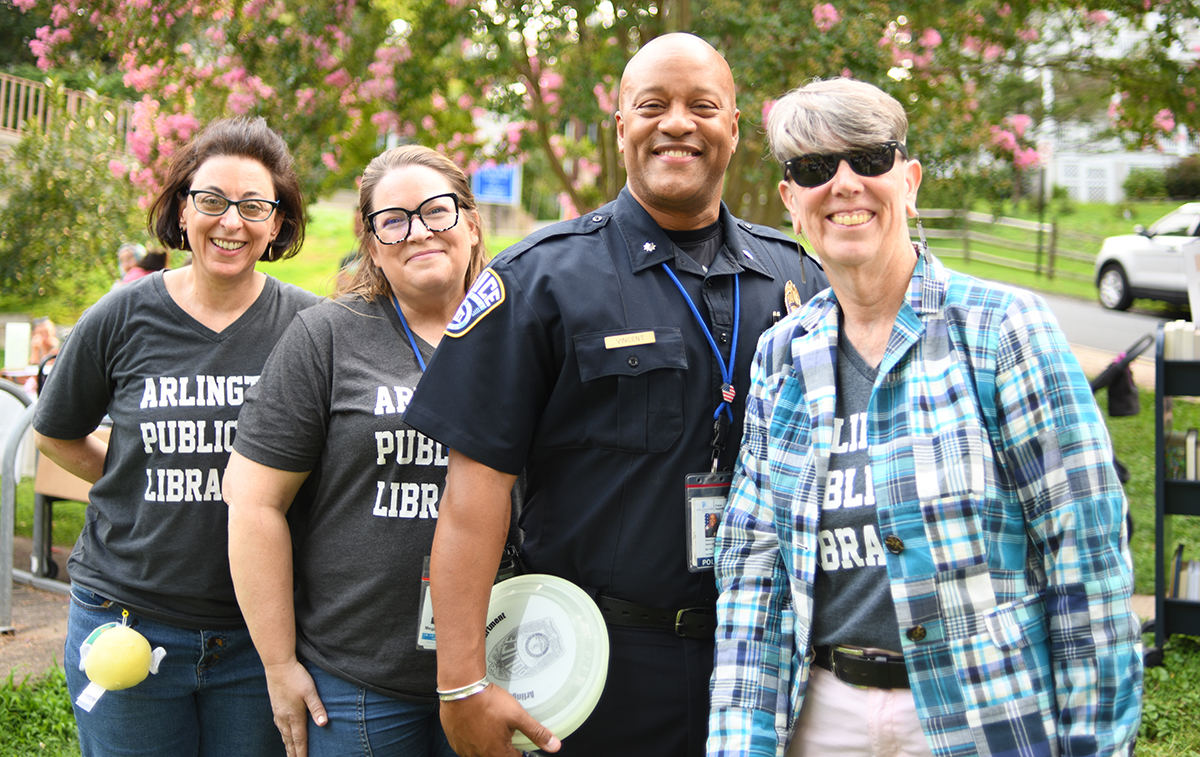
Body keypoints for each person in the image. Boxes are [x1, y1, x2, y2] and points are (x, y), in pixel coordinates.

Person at [402, 32, 828, 757]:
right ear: (622, 125)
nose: (677, 124)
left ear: (733, 127)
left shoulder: (798, 281)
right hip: (591, 669)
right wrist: (462, 680)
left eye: (702, 107)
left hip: (761, 663)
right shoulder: (538, 281)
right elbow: (472, 500)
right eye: (653, 106)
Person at [707, 78, 1143, 757]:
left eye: (869, 159)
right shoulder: (781, 356)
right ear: (792, 201)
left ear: (908, 182)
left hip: (980, 716)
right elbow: (753, 570)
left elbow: (1085, 556)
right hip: (821, 717)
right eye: (815, 168)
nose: (845, 184)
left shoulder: (1004, 329)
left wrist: (1097, 742)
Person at [32, 116, 321, 757]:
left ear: (277, 223)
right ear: (183, 210)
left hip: (260, 635)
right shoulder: (121, 315)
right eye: (212, 200)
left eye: (254, 206)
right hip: (126, 617)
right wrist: (130, 473)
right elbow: (55, 434)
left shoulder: (309, 326)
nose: (231, 222)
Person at [223, 145, 491, 757]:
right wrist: (278, 664)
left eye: (436, 210)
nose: (418, 231)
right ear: (371, 244)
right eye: (392, 220)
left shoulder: (522, 330)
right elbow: (254, 503)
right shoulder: (327, 336)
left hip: (496, 661)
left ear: (472, 223)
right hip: (358, 684)